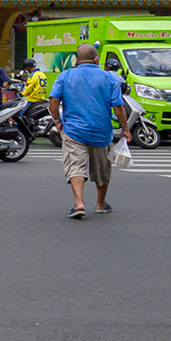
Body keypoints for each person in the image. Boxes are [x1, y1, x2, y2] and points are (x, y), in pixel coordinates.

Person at [49, 43, 127, 219]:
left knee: (75, 165)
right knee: (102, 169)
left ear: (76, 60)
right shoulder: (109, 78)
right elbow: (118, 107)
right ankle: (100, 204)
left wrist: (57, 120)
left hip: (74, 130)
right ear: (97, 59)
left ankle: (79, 203)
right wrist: (125, 129)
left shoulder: (65, 76)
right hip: (101, 131)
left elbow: (53, 100)